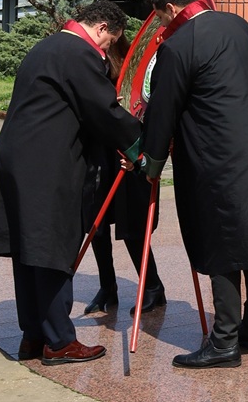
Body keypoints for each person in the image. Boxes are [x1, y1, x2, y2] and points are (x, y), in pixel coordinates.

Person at [140, 0, 248, 369]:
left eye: (160, 17)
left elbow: (162, 110)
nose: (161, 25)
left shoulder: (178, 46)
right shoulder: (238, 26)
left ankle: (224, 343)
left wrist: (151, 163)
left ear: (171, 8)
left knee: (223, 246)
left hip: (216, 159)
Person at [0, 0, 143, 365]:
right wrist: (140, 144)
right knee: (52, 250)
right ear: (102, 29)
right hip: (46, 164)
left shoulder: (48, 45)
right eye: (109, 43)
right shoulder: (79, 53)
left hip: (18, 159)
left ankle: (33, 336)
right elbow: (103, 111)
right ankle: (59, 341)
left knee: (29, 251)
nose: (106, 50)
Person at [83, 32, 165, 317]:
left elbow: (147, 106)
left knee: (132, 226)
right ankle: (107, 286)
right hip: (100, 153)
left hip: (130, 151)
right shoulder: (88, 61)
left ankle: (152, 285)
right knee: (97, 224)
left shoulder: (132, 65)